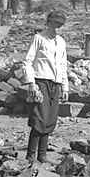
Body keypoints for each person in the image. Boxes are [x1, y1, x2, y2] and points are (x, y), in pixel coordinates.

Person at [23, 9, 69, 165]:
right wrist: (31, 83)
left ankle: (42, 155)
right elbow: (28, 61)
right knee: (39, 118)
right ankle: (30, 155)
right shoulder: (39, 38)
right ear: (48, 22)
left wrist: (65, 87)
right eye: (55, 24)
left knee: (50, 119)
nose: (56, 28)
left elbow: (63, 65)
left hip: (55, 83)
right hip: (41, 81)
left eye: (59, 25)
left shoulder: (61, 42)